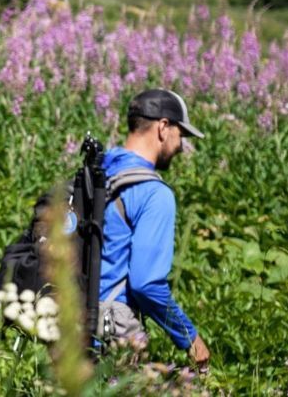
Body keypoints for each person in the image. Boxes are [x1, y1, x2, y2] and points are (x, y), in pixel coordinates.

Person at [98, 89, 210, 368]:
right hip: (113, 328)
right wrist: (189, 336)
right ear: (163, 127)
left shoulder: (98, 173)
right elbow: (146, 283)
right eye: (180, 135)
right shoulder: (152, 192)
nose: (181, 146)